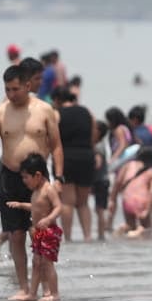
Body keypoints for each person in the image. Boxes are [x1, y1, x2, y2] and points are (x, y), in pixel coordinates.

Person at [0, 64, 64, 301]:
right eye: (7, 89)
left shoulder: (44, 110)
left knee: (39, 233)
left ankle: (46, 288)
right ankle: (24, 288)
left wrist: (59, 177)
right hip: (11, 177)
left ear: (27, 85)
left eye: (15, 89)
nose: (11, 94)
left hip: (38, 180)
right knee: (15, 235)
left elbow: (56, 145)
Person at [2, 153, 63, 301]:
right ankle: (32, 294)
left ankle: (54, 294)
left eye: (25, 177)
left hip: (49, 232)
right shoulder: (36, 191)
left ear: (38, 175)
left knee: (47, 264)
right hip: (39, 233)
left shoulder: (48, 189)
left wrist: (48, 219)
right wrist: (21, 205)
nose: (24, 181)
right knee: (36, 263)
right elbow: (36, 207)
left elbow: (58, 207)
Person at [54, 86, 95, 242]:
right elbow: (94, 134)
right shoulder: (86, 111)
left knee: (67, 202)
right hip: (86, 156)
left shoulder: (57, 114)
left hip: (66, 158)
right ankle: (88, 237)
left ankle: (68, 238)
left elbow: (52, 138)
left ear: (57, 100)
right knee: (83, 203)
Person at [110, 151, 152, 236]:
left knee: (131, 226)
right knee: (147, 229)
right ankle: (140, 231)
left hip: (127, 200)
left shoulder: (127, 165)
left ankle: (125, 228)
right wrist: (147, 210)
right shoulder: (151, 171)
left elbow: (118, 182)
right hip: (142, 202)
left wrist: (112, 199)